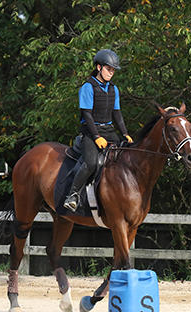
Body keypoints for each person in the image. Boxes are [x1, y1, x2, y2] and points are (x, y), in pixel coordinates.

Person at [63, 49, 133, 212]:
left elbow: (117, 114)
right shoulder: (88, 87)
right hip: (90, 131)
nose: (111, 73)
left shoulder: (113, 89)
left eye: (113, 70)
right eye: (109, 69)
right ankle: (72, 195)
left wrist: (125, 133)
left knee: (124, 158)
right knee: (91, 163)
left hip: (109, 130)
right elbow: (86, 115)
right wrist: (95, 137)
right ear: (99, 67)